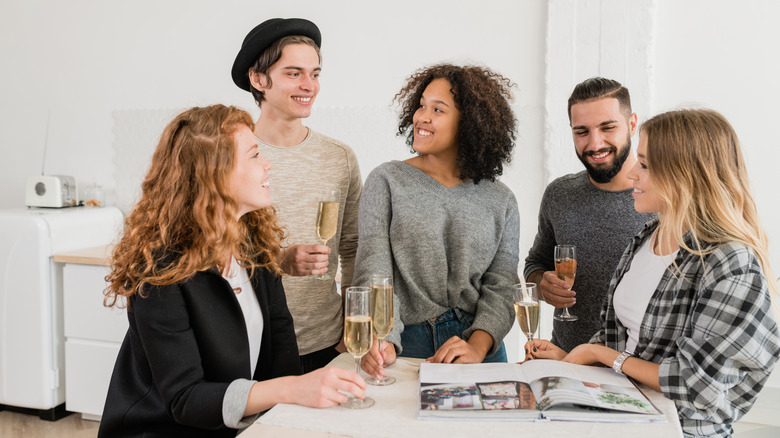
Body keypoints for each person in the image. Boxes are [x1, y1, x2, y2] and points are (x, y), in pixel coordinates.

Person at [98, 105, 366, 438]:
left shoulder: (253, 246)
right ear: (215, 174)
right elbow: (185, 398)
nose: (267, 164)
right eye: (255, 155)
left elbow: (280, 348)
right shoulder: (160, 270)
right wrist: (291, 390)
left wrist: (302, 393)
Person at [525, 108, 780, 437]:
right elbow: (629, 342)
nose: (632, 173)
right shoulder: (647, 236)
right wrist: (569, 359)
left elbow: (695, 384)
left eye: (644, 165)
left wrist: (599, 354)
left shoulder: (730, 261)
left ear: (684, 174)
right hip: (625, 418)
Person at [355, 64, 520, 379]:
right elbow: (374, 270)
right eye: (421, 106)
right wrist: (383, 339)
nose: (422, 117)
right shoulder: (387, 180)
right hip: (406, 343)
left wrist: (477, 346)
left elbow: (501, 287)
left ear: (470, 122)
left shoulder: (502, 200)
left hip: (480, 347)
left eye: (438, 110)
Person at [231, 18, 362, 372]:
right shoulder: (230, 156)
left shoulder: (340, 157)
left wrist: (350, 332)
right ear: (258, 79)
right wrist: (277, 259)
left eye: (315, 74)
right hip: (249, 341)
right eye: (293, 73)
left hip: (325, 342)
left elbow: (352, 248)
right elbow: (208, 247)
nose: (309, 85)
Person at [523, 77, 655, 353]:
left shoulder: (661, 199)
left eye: (607, 128)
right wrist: (542, 283)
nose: (595, 144)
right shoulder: (559, 194)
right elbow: (536, 262)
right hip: (565, 360)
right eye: (581, 132)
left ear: (632, 124)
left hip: (636, 371)